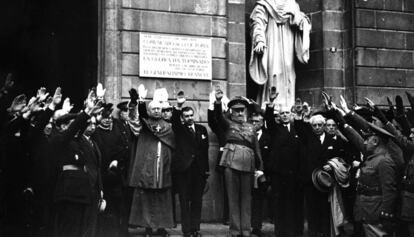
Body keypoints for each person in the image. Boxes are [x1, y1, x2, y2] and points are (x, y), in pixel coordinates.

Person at [52, 91, 104, 237]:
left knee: (80, 230)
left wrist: (89, 112)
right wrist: (85, 112)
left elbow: (81, 128)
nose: (74, 128)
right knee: (69, 229)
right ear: (62, 126)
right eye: (69, 125)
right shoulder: (59, 139)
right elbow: (73, 130)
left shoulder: (77, 141)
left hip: (81, 192)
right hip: (68, 191)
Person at [212, 90, 264, 237]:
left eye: (242, 110)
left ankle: (246, 230)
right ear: (231, 112)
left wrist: (260, 168)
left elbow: (257, 149)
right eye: (236, 111)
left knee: (246, 198)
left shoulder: (251, 127)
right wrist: (217, 101)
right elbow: (217, 117)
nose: (240, 113)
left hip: (248, 164)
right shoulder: (227, 124)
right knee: (233, 198)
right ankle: (235, 231)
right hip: (231, 163)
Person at [249, 0, 311, 107]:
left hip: (288, 42)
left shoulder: (292, 4)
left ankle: (287, 108)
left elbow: (300, 20)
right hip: (271, 41)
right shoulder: (264, 3)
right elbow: (257, 21)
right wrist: (259, 40)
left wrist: (302, 22)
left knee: (288, 72)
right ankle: (270, 107)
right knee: (273, 71)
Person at [128, 97, 175, 237]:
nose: (156, 111)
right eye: (153, 109)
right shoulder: (144, 124)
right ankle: (147, 227)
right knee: (146, 198)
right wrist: (135, 104)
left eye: (158, 109)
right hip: (147, 167)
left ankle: (161, 227)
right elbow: (133, 121)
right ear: (148, 111)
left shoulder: (168, 126)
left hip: (163, 167)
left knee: (163, 198)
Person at [294, 109, 341, 237]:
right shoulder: (308, 139)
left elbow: (339, 158)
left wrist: (331, 165)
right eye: (314, 125)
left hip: (327, 182)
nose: (317, 128)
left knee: (325, 211)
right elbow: (299, 128)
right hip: (311, 181)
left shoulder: (332, 140)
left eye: (320, 125)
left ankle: (326, 233)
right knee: (312, 211)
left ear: (324, 126)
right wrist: (300, 116)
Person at [264, 94, 303, 237]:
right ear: (279, 116)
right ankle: (281, 232)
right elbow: (268, 118)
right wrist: (271, 103)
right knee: (280, 203)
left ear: (291, 114)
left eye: (287, 113)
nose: (285, 115)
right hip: (279, 174)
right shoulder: (275, 129)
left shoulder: (297, 128)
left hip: (295, 174)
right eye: (282, 113)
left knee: (295, 203)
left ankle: (296, 231)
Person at [171, 93, 209, 237]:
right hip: (184, 171)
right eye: (186, 116)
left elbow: (205, 152)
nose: (189, 118)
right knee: (184, 201)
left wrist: (206, 171)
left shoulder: (202, 130)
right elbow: (174, 120)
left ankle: (195, 229)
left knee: (197, 201)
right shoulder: (179, 129)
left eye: (191, 115)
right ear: (182, 118)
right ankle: (186, 230)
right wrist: (179, 106)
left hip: (199, 171)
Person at [249, 109, 271, 237]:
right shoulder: (246, 135)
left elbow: (270, 156)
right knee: (247, 200)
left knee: (259, 201)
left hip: (262, 174)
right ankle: (246, 226)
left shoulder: (268, 137)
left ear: (262, 123)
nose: (254, 123)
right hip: (247, 172)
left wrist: (263, 172)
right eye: (252, 121)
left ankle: (256, 227)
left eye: (257, 121)